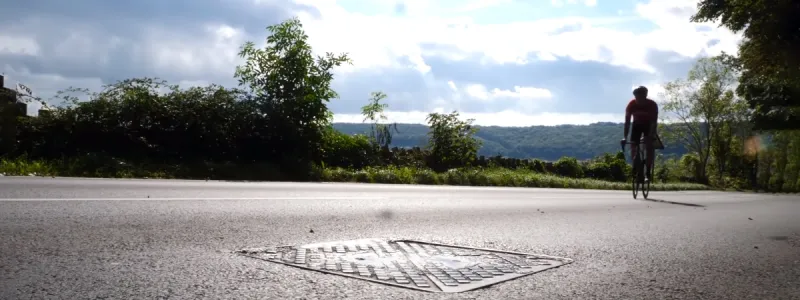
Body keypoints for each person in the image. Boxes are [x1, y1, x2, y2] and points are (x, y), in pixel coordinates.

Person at [621, 86, 658, 181]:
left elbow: (653, 123)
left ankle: (648, 172)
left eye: (641, 97)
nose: (639, 100)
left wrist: (650, 136)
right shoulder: (631, 105)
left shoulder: (652, 105)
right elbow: (627, 123)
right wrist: (625, 137)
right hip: (636, 125)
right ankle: (636, 165)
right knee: (634, 146)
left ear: (645, 96)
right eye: (637, 97)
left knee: (649, 146)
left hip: (648, 125)